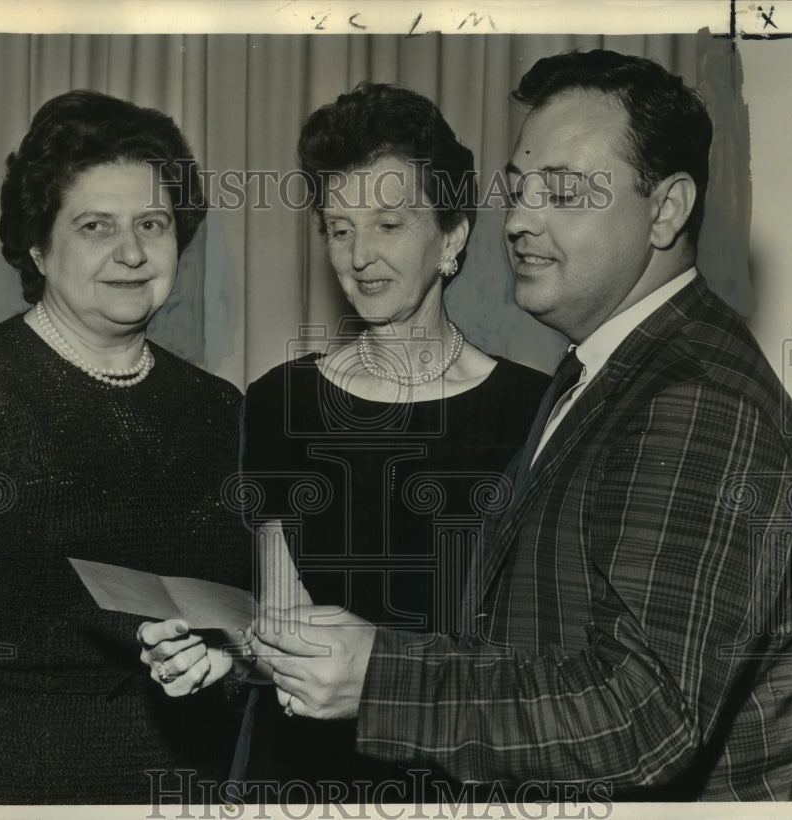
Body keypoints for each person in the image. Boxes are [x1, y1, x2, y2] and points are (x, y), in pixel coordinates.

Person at [247, 51, 792, 801]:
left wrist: (379, 674)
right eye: (521, 191)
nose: (520, 220)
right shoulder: (604, 376)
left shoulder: (696, 400)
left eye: (562, 192)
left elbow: (640, 717)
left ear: (666, 209)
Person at [138, 82, 550, 801]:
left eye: (389, 224)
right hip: (304, 776)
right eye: (337, 228)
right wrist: (225, 655)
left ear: (452, 236)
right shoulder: (279, 402)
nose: (359, 256)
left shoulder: (534, 411)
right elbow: (281, 628)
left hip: (464, 776)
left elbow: (539, 658)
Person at [0, 90, 249, 805]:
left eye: (153, 223)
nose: (131, 252)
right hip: (10, 791)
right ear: (38, 244)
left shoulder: (220, 411)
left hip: (193, 788)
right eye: (96, 225)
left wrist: (227, 658)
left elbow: (250, 626)